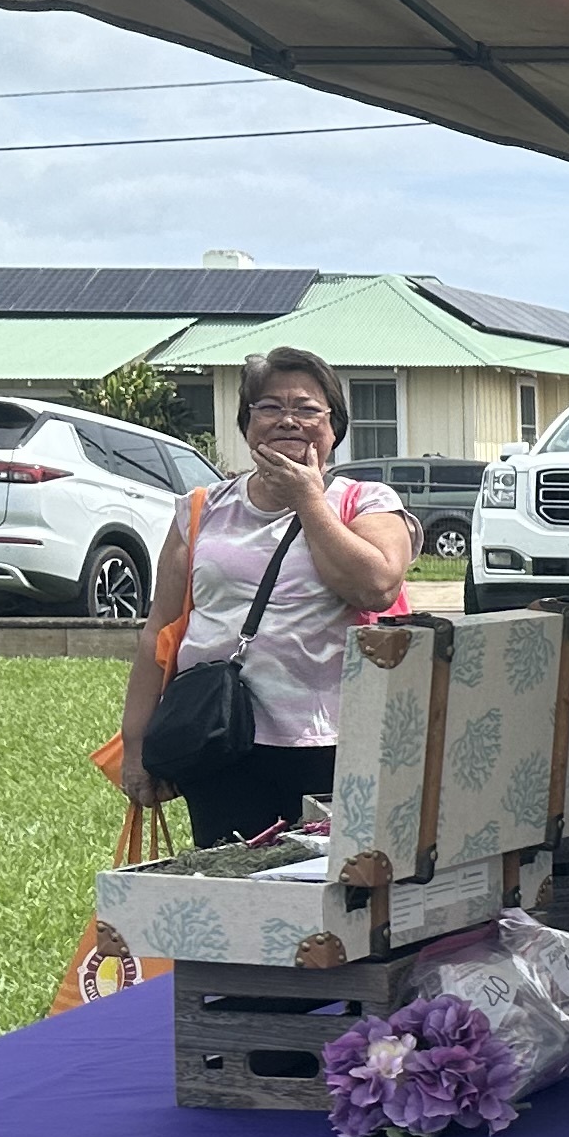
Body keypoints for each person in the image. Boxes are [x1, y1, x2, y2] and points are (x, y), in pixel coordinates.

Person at [118, 348, 414, 847]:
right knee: (233, 881)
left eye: (307, 409)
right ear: (248, 422)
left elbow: (376, 586)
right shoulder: (201, 509)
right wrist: (135, 745)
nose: (287, 420)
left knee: (333, 882)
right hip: (219, 738)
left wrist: (307, 499)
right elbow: (159, 631)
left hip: (336, 741)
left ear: (334, 426)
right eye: (270, 407)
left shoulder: (365, 502)